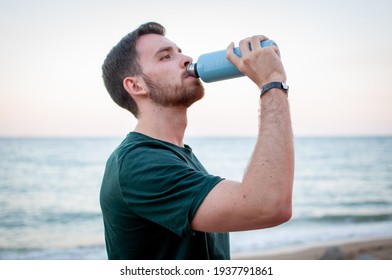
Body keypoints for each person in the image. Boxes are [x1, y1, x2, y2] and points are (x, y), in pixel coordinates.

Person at [100, 22, 294, 260]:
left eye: (179, 51)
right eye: (165, 57)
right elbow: (266, 205)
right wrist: (272, 83)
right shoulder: (138, 163)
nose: (186, 58)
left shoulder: (176, 155)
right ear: (135, 85)